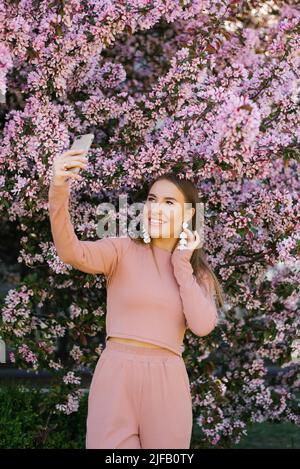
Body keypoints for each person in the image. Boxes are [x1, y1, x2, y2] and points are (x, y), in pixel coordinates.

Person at [48, 149, 225, 449]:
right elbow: (71, 252)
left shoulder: (196, 273)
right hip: (115, 375)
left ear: (188, 214)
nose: (156, 208)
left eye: (169, 203)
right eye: (153, 200)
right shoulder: (121, 250)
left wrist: (181, 263)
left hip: (167, 381)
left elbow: (203, 325)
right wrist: (58, 188)